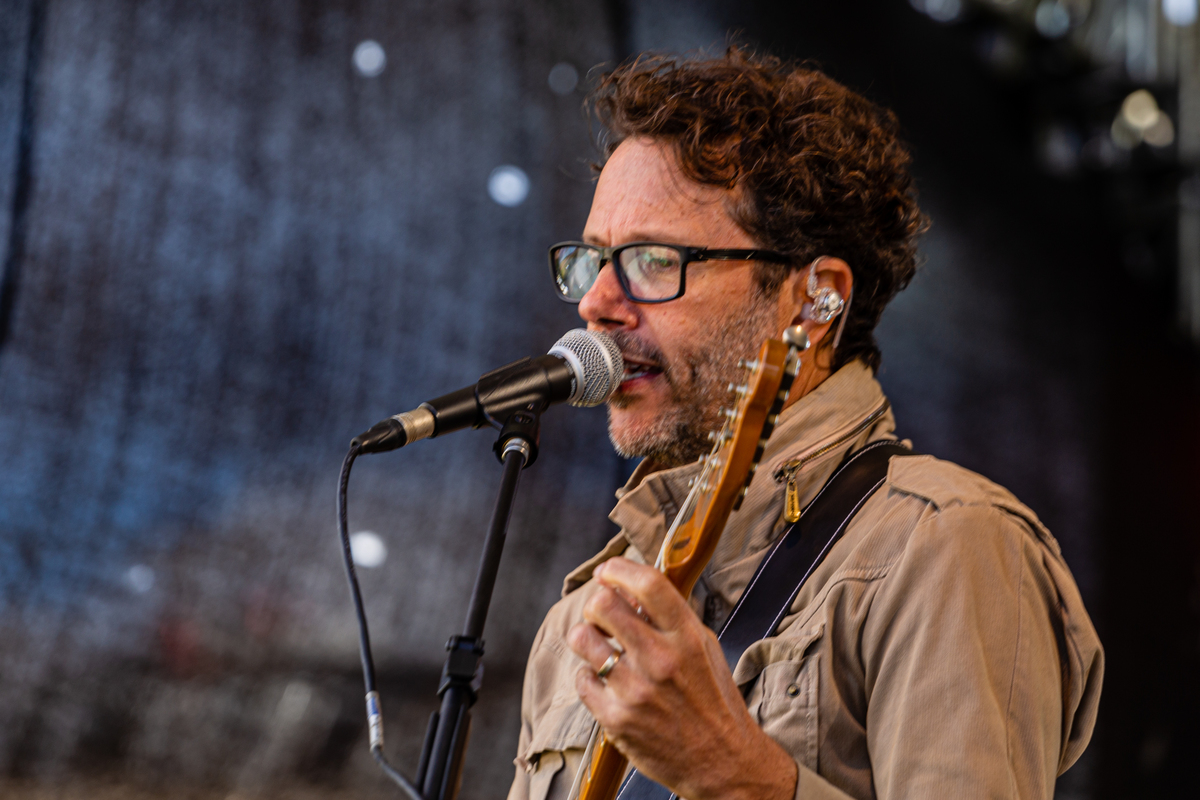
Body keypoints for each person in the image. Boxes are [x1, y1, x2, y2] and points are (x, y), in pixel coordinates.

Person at [507, 48, 1103, 800]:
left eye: (653, 260)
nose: (595, 302)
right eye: (592, 261)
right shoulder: (583, 617)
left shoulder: (946, 545)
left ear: (816, 302)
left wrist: (736, 775)